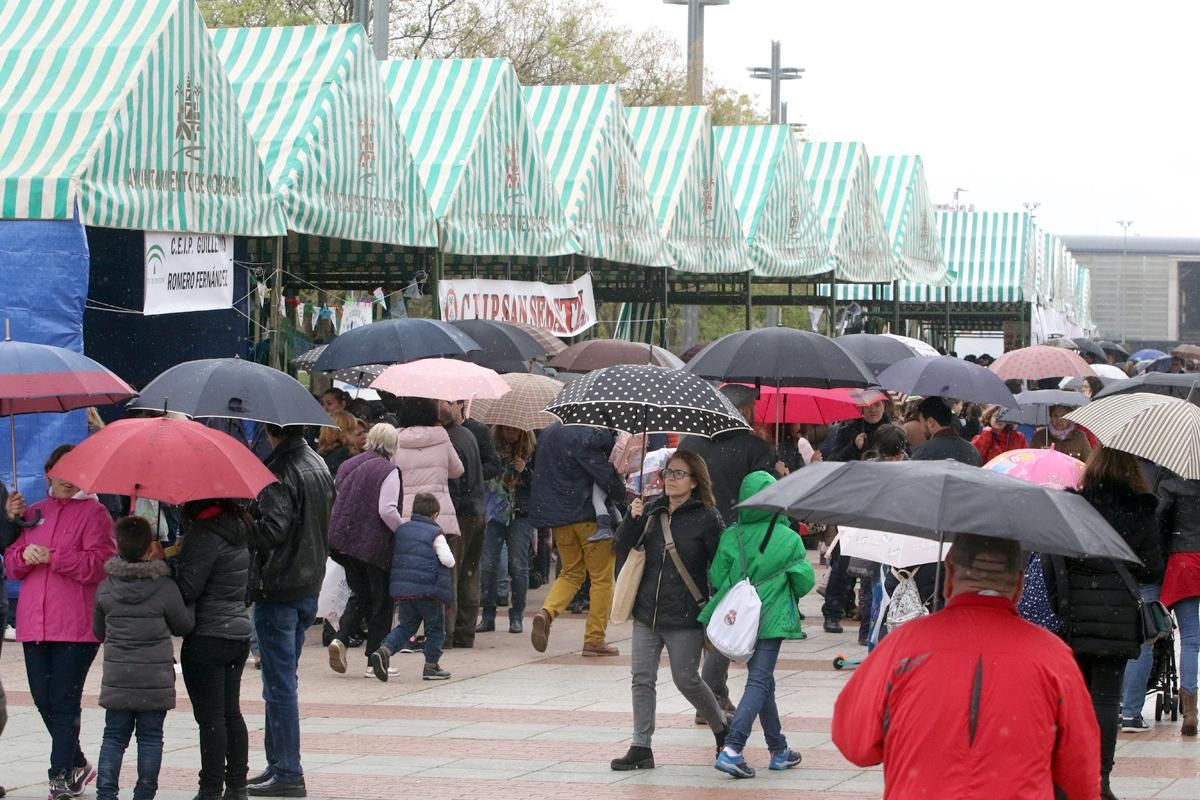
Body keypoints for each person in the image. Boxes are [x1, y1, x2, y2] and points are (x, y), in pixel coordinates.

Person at [832, 533, 1100, 799]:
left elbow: (856, 744)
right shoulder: (1053, 656)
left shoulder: (902, 647)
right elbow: (1080, 773)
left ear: (948, 577)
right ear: (1019, 585)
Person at [1042, 447, 1161, 796]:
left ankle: (1066, 778)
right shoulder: (1142, 508)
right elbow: (1153, 569)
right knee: (1107, 700)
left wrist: (1060, 602)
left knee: (1072, 699)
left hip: (1074, 615)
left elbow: (1052, 561)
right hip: (1117, 617)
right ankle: (1100, 780)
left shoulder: (1074, 506)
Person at [3, 444, 116, 800]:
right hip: (35, 623)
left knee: (64, 699)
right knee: (42, 698)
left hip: (77, 624)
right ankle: (78, 761)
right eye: (60, 472)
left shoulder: (96, 514)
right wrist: (24, 553)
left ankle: (61, 774)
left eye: (75, 473)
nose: (67, 480)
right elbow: (11, 563)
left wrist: (54, 556)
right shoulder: (33, 511)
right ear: (49, 472)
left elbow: (99, 566)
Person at [610, 451, 729, 771]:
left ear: (694, 481)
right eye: (669, 472)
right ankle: (641, 746)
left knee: (687, 679)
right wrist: (631, 519)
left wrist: (718, 604)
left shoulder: (707, 517)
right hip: (647, 611)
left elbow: (719, 565)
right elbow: (620, 548)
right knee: (641, 678)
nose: (671, 478)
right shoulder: (650, 510)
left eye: (679, 473)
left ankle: (721, 727)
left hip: (686, 613)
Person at [700, 471, 814, 779]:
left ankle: (779, 749)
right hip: (770, 620)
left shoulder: (731, 535)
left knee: (764, 683)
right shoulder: (789, 538)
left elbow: (718, 579)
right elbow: (805, 581)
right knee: (760, 682)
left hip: (739, 622)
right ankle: (732, 748)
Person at [678, 385, 777, 716]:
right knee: (728, 612)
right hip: (736, 541)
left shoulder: (690, 443)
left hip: (690, 534)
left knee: (703, 611)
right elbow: (766, 497)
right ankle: (712, 694)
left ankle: (706, 688)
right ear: (746, 411)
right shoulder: (755, 448)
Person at [246, 425, 335, 797]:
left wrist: (243, 520)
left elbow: (272, 531)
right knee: (281, 681)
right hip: (306, 582)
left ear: (269, 429)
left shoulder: (280, 470)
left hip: (279, 587)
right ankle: (277, 764)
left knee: (280, 685)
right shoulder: (316, 462)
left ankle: (287, 770)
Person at [93, 517, 193, 800]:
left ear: (118, 546)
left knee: (113, 738)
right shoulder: (164, 588)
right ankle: (144, 793)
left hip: (118, 678)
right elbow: (182, 626)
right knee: (150, 739)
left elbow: (98, 631)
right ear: (151, 547)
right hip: (154, 679)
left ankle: (106, 792)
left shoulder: (106, 588)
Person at [172, 499, 255, 800]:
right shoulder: (237, 528)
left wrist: (172, 563)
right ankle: (237, 786)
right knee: (230, 713)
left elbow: (188, 589)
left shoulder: (203, 536)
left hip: (207, 636)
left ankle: (209, 789)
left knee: (211, 718)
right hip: (236, 635)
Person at [527, 422, 625, 657]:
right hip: (590, 514)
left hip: (560, 517)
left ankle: (547, 612)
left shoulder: (548, 434)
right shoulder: (587, 436)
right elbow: (602, 474)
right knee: (602, 578)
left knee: (571, 572)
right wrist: (621, 492)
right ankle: (594, 639)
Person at [326, 424, 403, 676]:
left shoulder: (349, 464)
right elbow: (387, 509)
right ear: (393, 444)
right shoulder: (389, 470)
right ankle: (375, 659)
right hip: (373, 545)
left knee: (361, 594)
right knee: (382, 600)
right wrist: (403, 530)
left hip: (344, 541)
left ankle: (341, 638)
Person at [371, 493, 455, 682]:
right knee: (435, 628)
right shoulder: (436, 533)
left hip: (405, 591)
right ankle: (431, 666)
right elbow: (448, 560)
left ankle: (384, 650)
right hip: (429, 592)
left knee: (406, 627)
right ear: (435, 514)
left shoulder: (402, 530)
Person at [478, 425, 535, 635]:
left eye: (515, 430)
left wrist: (525, 471)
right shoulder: (490, 447)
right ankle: (488, 615)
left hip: (520, 513)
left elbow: (540, 481)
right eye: (507, 429)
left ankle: (517, 615)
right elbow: (483, 472)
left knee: (518, 565)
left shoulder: (531, 450)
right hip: (494, 512)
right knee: (488, 565)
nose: (511, 433)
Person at [1155, 468, 1200, 737]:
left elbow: (1157, 519)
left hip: (1183, 560)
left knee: (1190, 639)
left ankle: (1190, 709)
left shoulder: (1173, 483)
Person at [439, 399, 486, 649]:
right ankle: (465, 632)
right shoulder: (466, 434)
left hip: (460, 514)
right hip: (477, 509)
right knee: (470, 573)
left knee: (451, 574)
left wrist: (449, 513)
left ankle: (447, 632)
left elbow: (455, 484)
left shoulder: (449, 440)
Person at [909, 396, 982, 466]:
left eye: (921, 421)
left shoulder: (923, 452)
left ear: (930, 422)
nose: (921, 427)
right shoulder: (972, 450)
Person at [317, 410, 360, 477]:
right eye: (353, 429)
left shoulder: (320, 455)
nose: (356, 432)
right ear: (345, 431)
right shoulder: (345, 454)